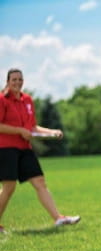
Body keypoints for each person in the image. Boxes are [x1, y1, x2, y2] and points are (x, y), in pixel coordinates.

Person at [0, 68, 80, 233]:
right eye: (14, 79)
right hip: (6, 149)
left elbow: (33, 126)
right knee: (9, 187)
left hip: (25, 148)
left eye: (20, 79)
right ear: (7, 81)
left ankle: (58, 218)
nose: (17, 82)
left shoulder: (27, 100)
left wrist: (51, 132)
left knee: (40, 182)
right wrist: (19, 131)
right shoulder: (2, 100)